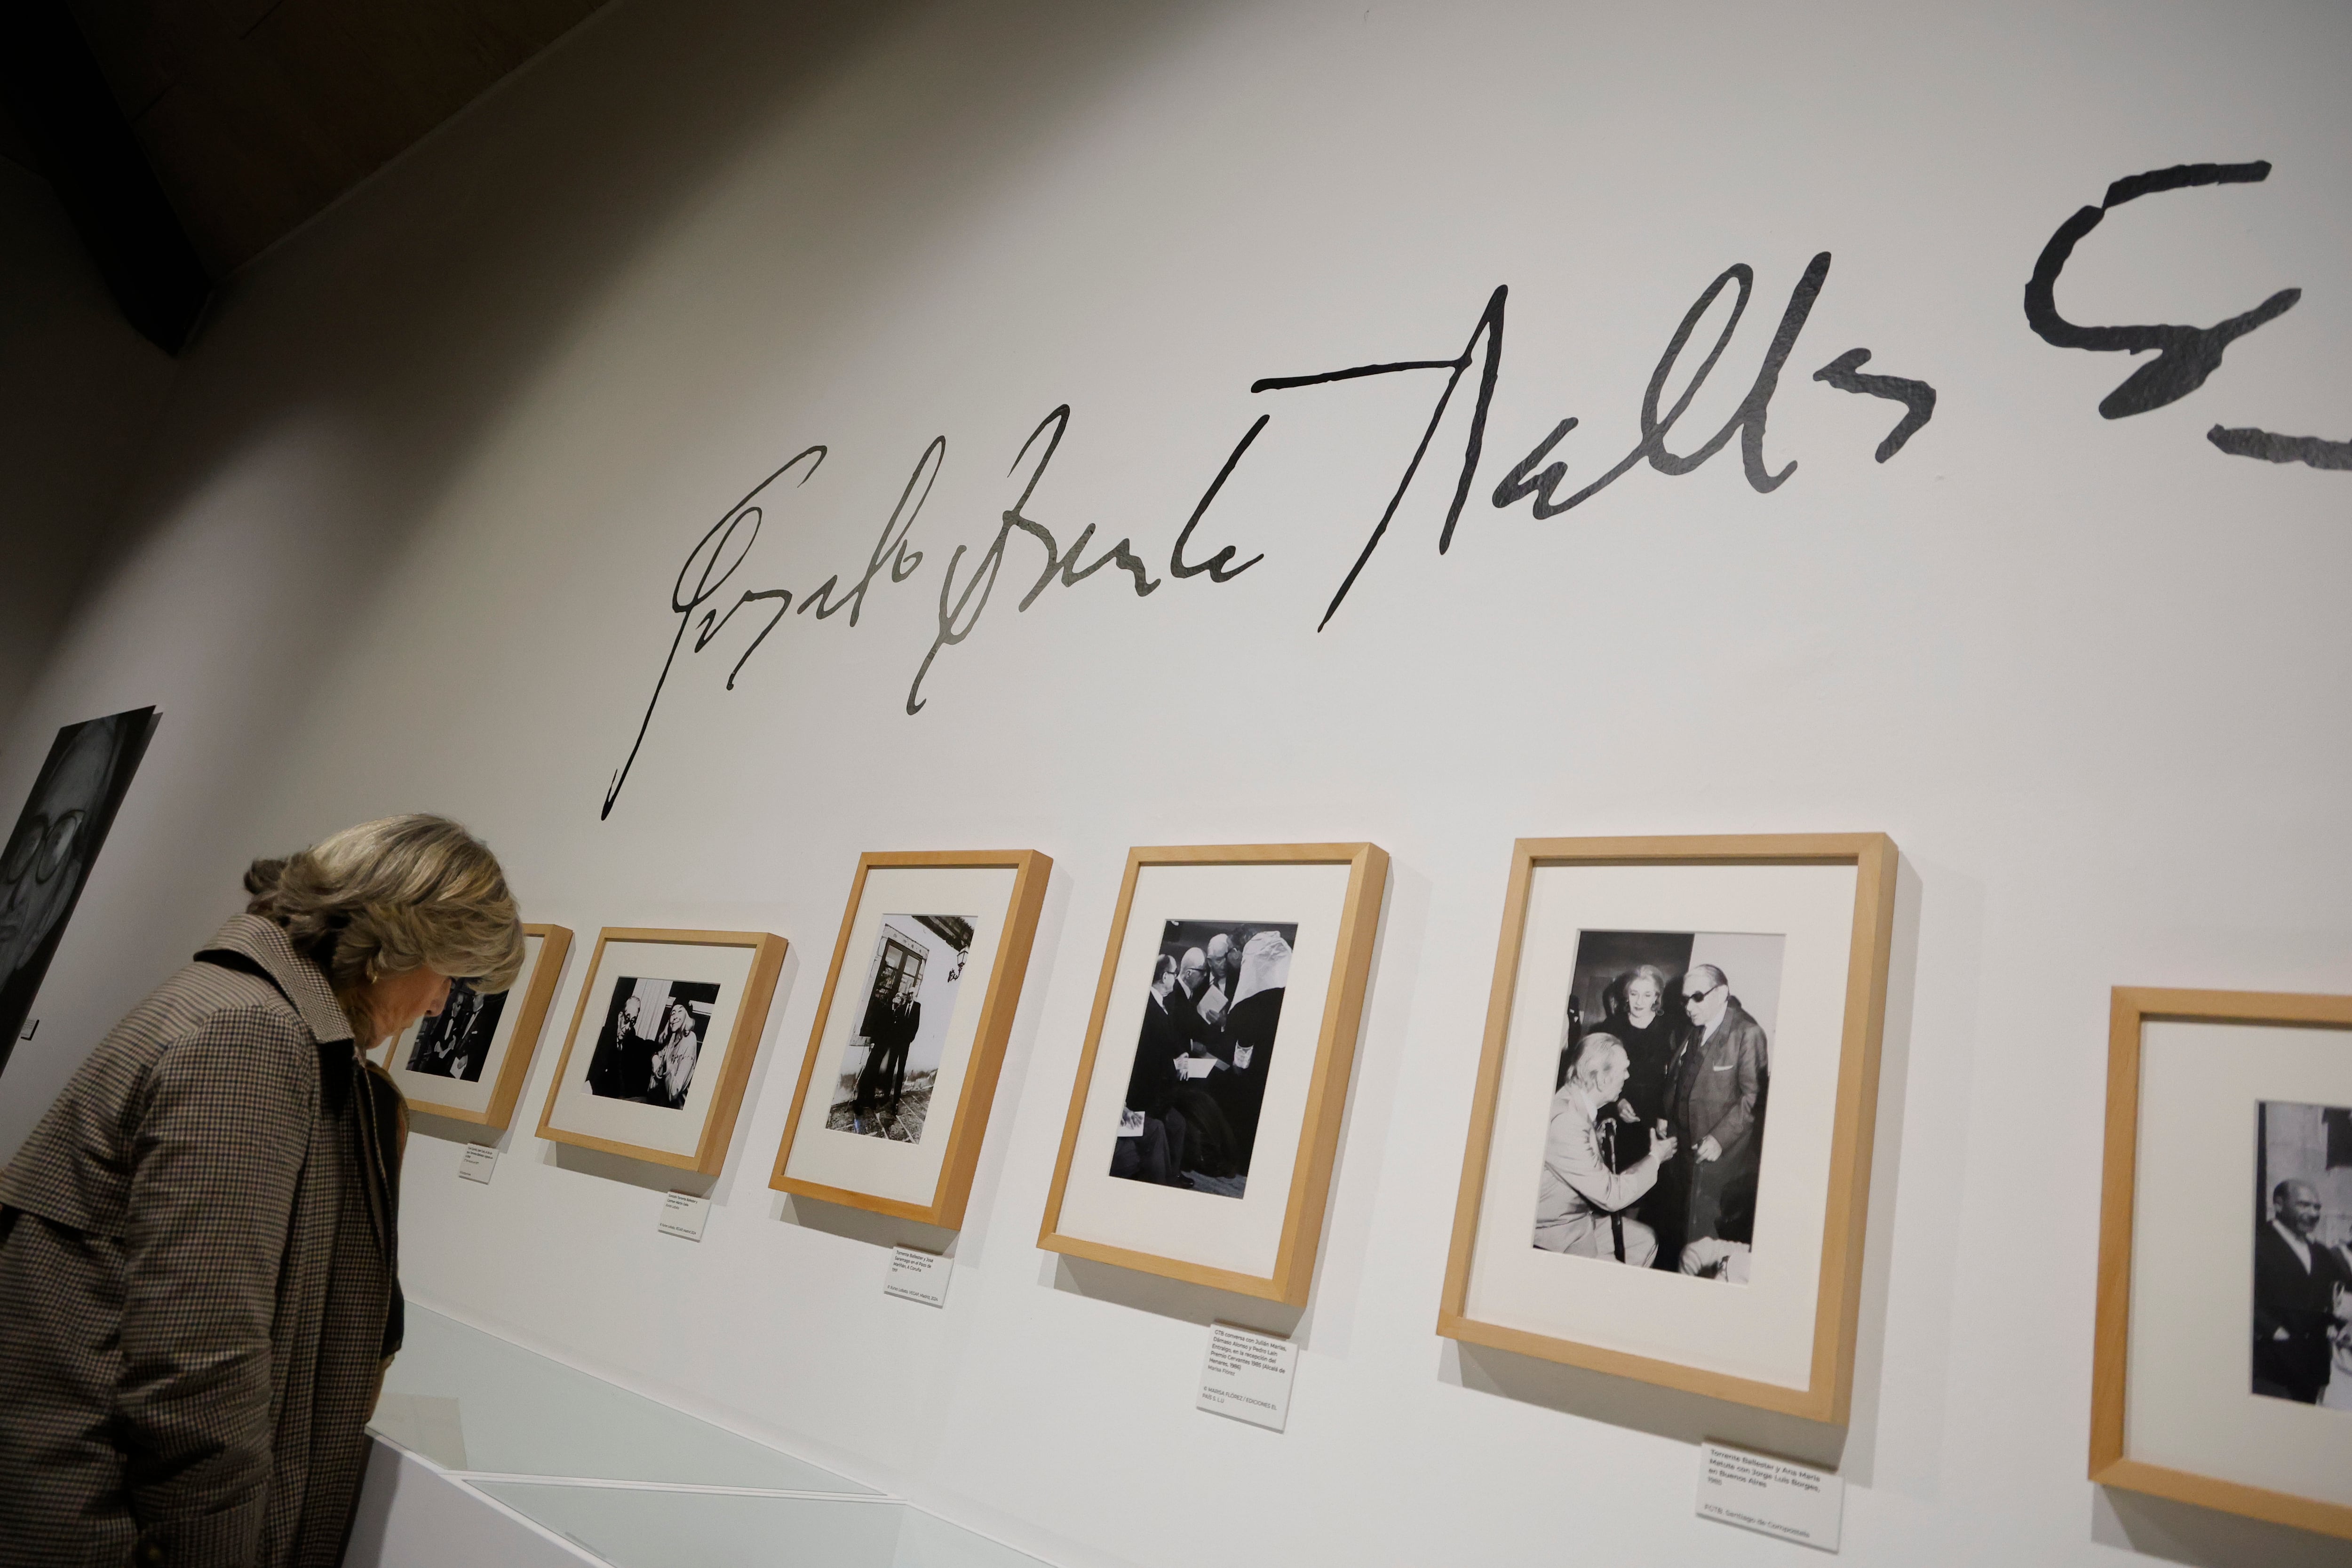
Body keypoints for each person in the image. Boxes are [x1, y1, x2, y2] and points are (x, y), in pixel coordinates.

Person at [0, 813, 523, 1568]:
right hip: (95, 1524)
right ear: (394, 949)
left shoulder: (226, 1001)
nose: (441, 1004)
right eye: (449, 973)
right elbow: (197, 1357)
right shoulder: (251, 1035)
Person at [1533, 1034, 1678, 1262]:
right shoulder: (1567, 1122)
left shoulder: (1575, 1101)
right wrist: (1656, 1158)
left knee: (1645, 1240)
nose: (1628, 1076)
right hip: (1557, 1234)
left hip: (1576, 1219)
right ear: (1602, 1080)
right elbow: (1612, 1195)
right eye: (1624, 1070)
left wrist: (1596, 1133)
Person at [1667, 964, 1768, 1253]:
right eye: (1685, 999)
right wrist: (1667, 1116)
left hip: (1719, 1157)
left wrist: (1719, 1138)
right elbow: (1679, 1077)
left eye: (1697, 997)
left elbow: (1755, 1098)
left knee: (1704, 1233)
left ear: (1722, 992)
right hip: (1683, 1147)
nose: (1688, 1007)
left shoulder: (1748, 1033)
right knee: (1680, 1223)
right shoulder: (1693, 1028)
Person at [2253, 1178, 2352, 1403]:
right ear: (2279, 1205)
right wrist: (2276, 1331)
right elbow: (2245, 1299)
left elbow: (2334, 1296)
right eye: (2304, 1205)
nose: (2313, 1213)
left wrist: (2337, 1326)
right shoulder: (2258, 1242)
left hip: (2312, 1370)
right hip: (2272, 1367)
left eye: (2317, 1207)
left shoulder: (2321, 1253)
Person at [1210, 929, 1290, 1176]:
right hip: (1273, 1058)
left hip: (1252, 1066)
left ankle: (1239, 1160)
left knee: (1244, 1108)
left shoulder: (1253, 992)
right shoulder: (1277, 986)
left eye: (1230, 952)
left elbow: (1245, 1030)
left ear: (1239, 952)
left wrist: (1239, 1062)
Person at [647, 999, 702, 1109]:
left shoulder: (690, 1039)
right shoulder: (672, 1038)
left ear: (687, 1017)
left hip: (676, 1110)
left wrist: (665, 1064)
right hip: (658, 1104)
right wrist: (655, 1058)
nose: (675, 1016)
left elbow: (673, 1093)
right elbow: (653, 1085)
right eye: (673, 1013)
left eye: (680, 1011)